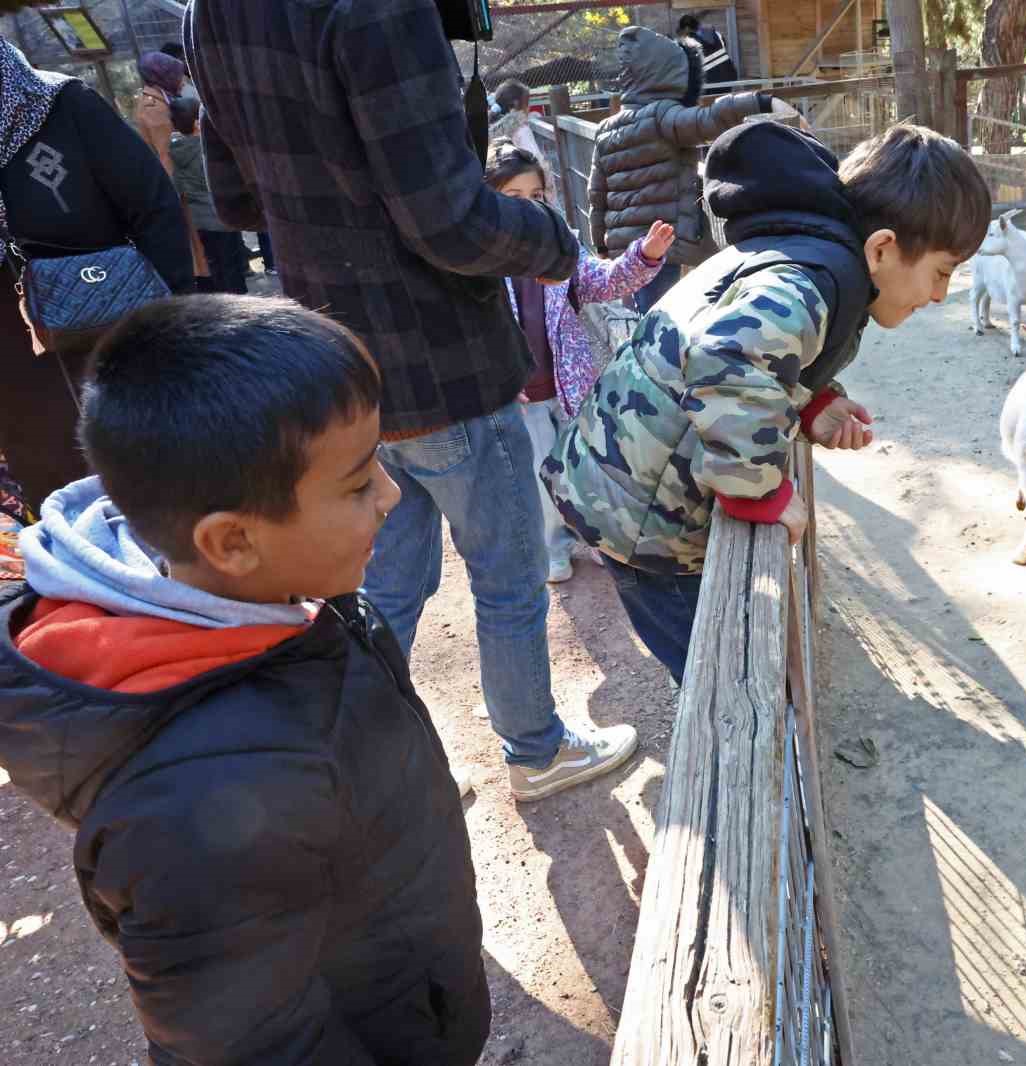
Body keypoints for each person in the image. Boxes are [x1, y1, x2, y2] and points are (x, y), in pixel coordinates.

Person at [0, 295, 491, 1066]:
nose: (392, 496)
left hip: (407, 979)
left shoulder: (278, 588)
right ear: (231, 541)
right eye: (360, 483)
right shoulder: (194, 812)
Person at [187, 0, 635, 802]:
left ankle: (389, 764)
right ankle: (536, 751)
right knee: (506, 577)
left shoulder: (209, 10)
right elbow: (450, 219)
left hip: (339, 373)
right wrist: (551, 243)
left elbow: (237, 198)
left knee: (383, 586)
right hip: (446, 367)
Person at [546, 121, 990, 683]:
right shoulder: (810, 280)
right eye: (941, 273)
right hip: (641, 521)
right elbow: (728, 356)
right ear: (881, 248)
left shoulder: (806, 252)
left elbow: (759, 352)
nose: (939, 295)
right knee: (723, 680)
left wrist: (812, 403)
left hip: (627, 485)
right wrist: (759, 493)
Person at [0, 40, 192, 514]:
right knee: (57, 502)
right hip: (16, 383)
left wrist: (171, 328)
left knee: (160, 489)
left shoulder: (60, 105)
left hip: (110, 343)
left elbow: (154, 206)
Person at [483, 138, 671, 584]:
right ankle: (554, 547)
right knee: (540, 473)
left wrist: (644, 257)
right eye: (512, 198)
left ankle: (600, 537)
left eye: (536, 195)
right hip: (519, 391)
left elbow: (601, 282)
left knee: (583, 466)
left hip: (571, 385)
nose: (528, 207)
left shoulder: (558, 244)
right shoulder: (478, 261)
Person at [589, 25, 771, 314]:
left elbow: (597, 196)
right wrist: (759, 101)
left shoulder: (606, 128)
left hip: (624, 250)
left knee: (642, 314)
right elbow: (708, 120)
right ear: (668, 73)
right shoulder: (663, 116)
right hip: (664, 245)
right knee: (666, 317)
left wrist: (600, 244)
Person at [133, 50, 208, 286]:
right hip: (179, 186)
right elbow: (168, 153)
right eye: (176, 75)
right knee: (194, 242)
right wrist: (180, 190)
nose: (182, 79)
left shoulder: (162, 98)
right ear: (161, 76)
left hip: (182, 183)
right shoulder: (155, 109)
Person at [169, 97, 248, 294]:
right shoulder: (204, 148)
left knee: (215, 263)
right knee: (232, 264)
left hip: (200, 220)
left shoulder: (176, 149)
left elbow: (178, 185)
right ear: (198, 123)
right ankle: (239, 303)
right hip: (220, 216)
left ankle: (224, 302)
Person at [676, 13, 739, 85]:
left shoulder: (689, 41)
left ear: (687, 28)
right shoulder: (716, 33)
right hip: (729, 75)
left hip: (710, 81)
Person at [488, 79, 538, 156]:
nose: (529, 108)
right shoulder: (521, 129)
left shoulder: (491, 127)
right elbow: (535, 157)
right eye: (527, 103)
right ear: (516, 103)